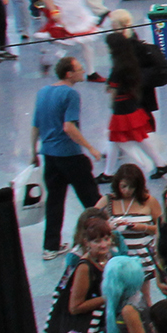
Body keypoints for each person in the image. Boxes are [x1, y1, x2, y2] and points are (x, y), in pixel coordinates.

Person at [33, 54, 100, 256]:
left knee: (55, 200)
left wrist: (32, 152)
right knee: (92, 200)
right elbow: (69, 127)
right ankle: (104, 237)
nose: (82, 72)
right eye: (79, 69)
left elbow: (35, 125)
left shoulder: (43, 92)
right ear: (69, 74)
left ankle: (50, 246)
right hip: (70, 155)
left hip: (50, 156)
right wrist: (90, 148)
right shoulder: (71, 95)